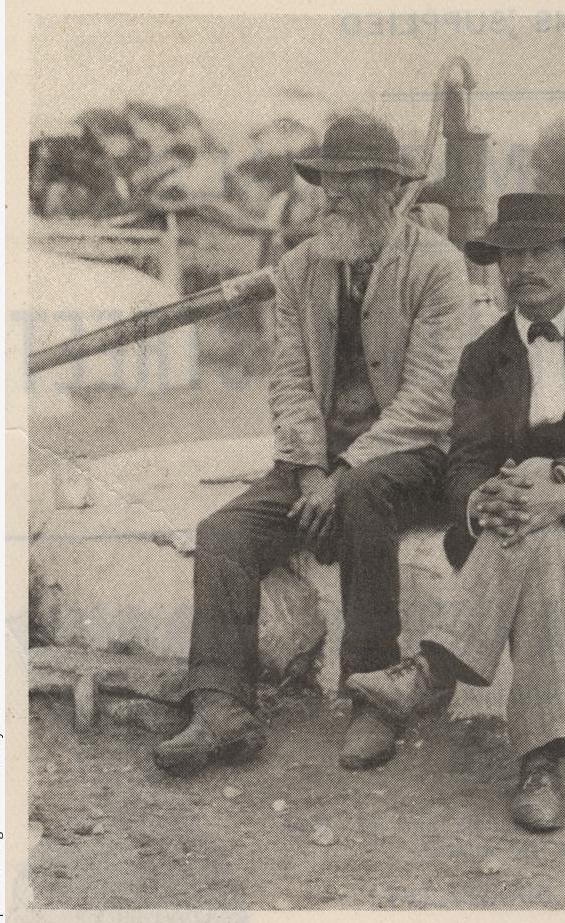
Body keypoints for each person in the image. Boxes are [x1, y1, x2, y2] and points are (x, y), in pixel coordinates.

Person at [154, 112, 474, 775]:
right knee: (223, 532)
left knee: (362, 494)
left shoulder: (438, 268)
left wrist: (345, 469)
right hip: (315, 468)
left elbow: (430, 398)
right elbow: (291, 382)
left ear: (391, 187)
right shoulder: (298, 269)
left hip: (409, 459)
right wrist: (306, 473)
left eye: (355, 180)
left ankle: (371, 695)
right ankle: (222, 708)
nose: (336, 195)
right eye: (329, 180)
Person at [346, 193, 565, 832]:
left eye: (541, 251)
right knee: (542, 549)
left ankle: (432, 671)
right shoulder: (480, 355)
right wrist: (482, 499)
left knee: (543, 530)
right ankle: (539, 768)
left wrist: (562, 486)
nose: (524, 268)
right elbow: (464, 463)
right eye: (509, 255)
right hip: (514, 530)